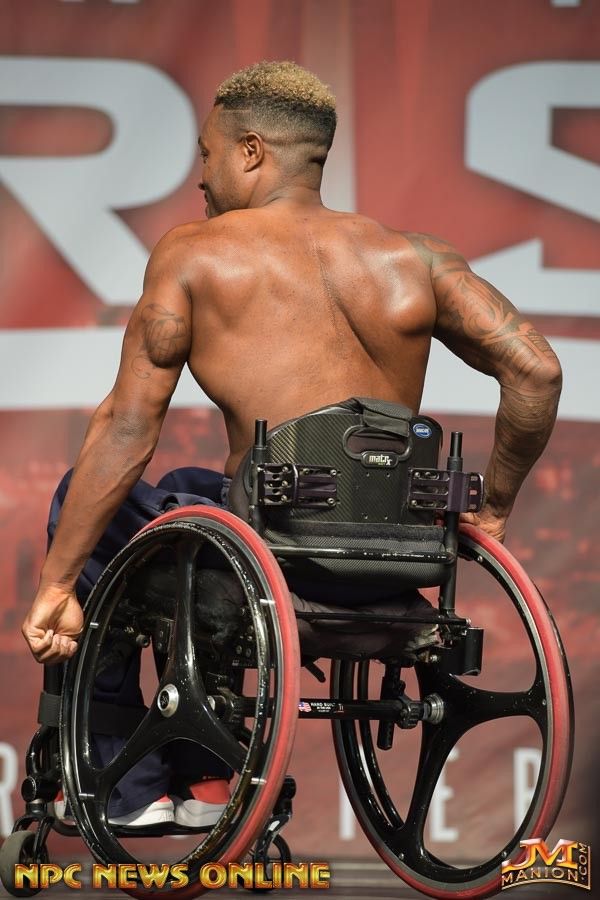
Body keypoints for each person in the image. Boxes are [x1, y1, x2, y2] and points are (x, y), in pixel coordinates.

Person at [21, 61, 562, 824]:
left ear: (251, 151)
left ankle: (129, 786)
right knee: (187, 488)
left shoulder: (196, 255)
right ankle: (208, 780)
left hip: (273, 557)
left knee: (87, 502)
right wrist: (494, 510)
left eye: (206, 154)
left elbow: (126, 429)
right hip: (395, 562)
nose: (199, 177)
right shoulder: (418, 260)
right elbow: (536, 371)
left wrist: (54, 586)